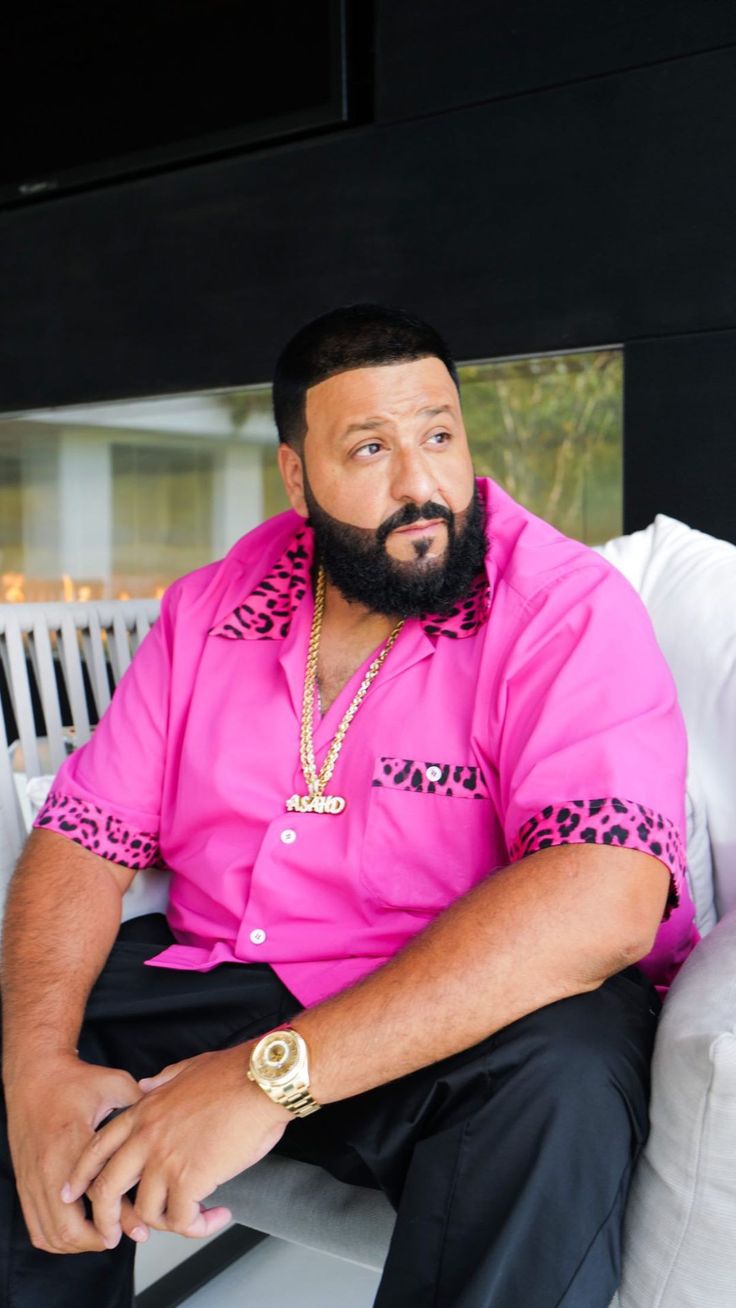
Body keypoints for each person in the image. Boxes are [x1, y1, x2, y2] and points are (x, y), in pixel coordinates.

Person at [0, 304, 698, 1308]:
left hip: (457, 1003)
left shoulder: (563, 609)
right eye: (370, 447)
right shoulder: (211, 608)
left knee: (565, 1079)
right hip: (234, 969)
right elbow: (83, 836)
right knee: (19, 1029)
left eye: (439, 436)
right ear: (298, 475)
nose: (420, 484)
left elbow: (605, 897)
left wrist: (261, 1079)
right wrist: (34, 1069)